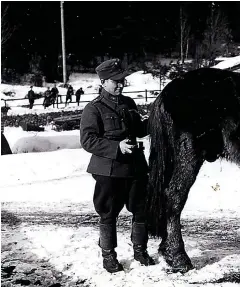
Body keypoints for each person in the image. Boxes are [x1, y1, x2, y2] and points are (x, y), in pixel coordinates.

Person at [80, 58, 154, 273]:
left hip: (136, 168)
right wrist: (116, 147)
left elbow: (139, 130)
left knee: (141, 210)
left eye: (122, 81)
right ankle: (108, 256)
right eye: (115, 81)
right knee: (108, 213)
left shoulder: (129, 104)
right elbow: (88, 140)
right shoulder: (93, 109)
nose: (120, 85)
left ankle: (140, 251)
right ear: (103, 82)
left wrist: (155, 119)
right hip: (108, 170)